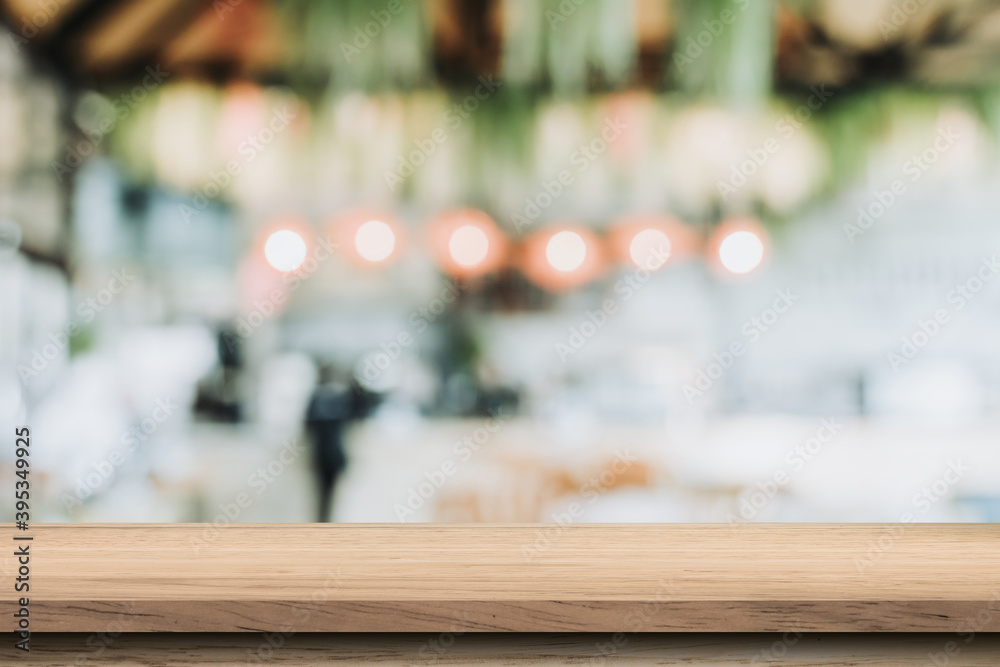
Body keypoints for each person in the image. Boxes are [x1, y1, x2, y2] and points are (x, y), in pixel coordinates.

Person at [305, 364, 380, 522]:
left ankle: (325, 523)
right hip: (326, 456)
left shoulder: (334, 399)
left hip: (328, 455)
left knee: (329, 497)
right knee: (325, 496)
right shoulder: (333, 399)